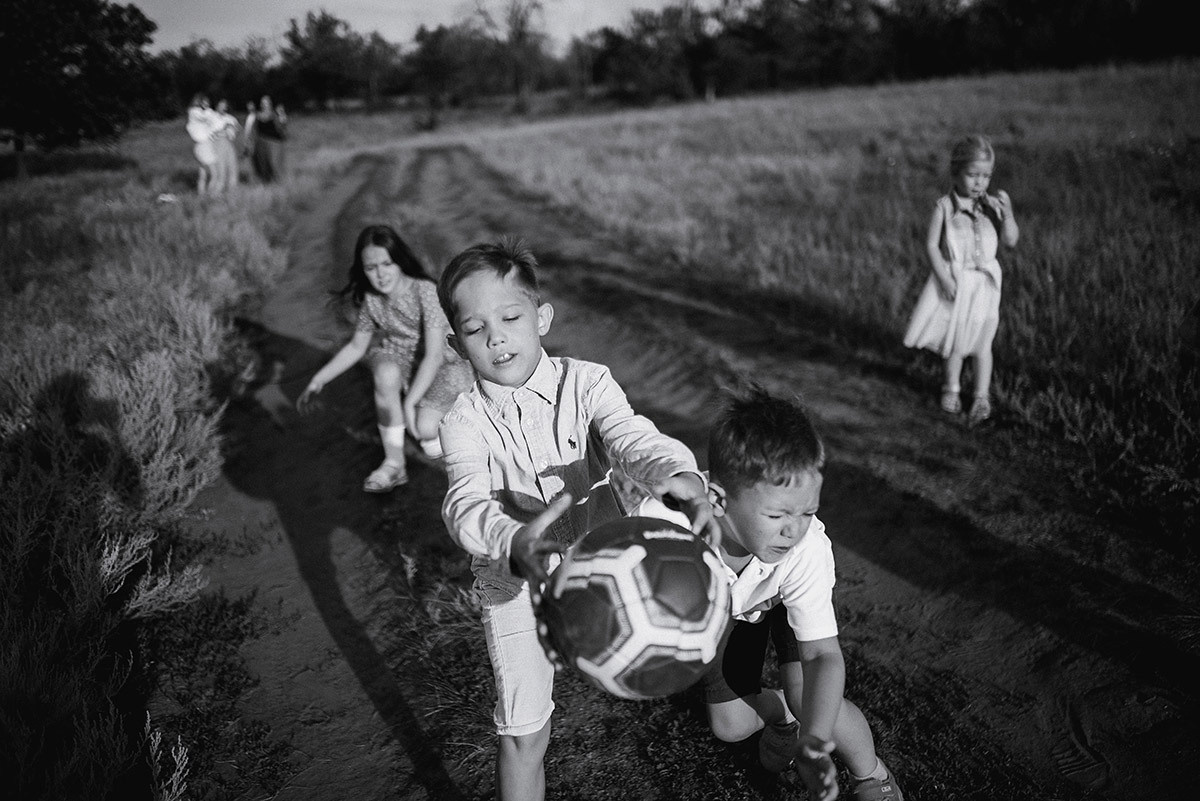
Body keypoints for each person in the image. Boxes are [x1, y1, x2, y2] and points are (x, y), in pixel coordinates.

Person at [436, 238, 717, 801]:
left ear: (542, 317)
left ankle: (738, 688)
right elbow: (463, 501)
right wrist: (508, 537)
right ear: (455, 342)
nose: (496, 336)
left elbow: (632, 437)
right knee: (522, 733)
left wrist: (675, 473)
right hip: (515, 576)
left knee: (682, 604)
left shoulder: (587, 382)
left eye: (511, 317)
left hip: (606, 559)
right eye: (474, 328)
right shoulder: (461, 421)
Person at [702, 386, 904, 801]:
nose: (793, 529)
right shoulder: (674, 528)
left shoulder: (804, 549)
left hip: (783, 592)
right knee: (729, 726)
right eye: (777, 515)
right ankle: (782, 719)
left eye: (807, 511)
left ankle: (872, 776)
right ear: (718, 500)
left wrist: (815, 739)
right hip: (728, 606)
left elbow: (822, 655)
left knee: (811, 699)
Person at [298, 224, 473, 492]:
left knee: (426, 429)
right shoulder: (372, 300)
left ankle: (443, 423)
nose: (380, 275)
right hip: (404, 360)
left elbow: (435, 355)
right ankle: (394, 463)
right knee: (384, 371)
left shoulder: (423, 290)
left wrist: (409, 404)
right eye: (371, 268)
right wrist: (318, 380)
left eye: (387, 264)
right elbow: (357, 347)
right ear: (363, 269)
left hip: (440, 362)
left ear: (399, 261)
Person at [903, 134, 1020, 425]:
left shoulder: (990, 206)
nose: (980, 182)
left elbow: (1011, 241)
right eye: (972, 175)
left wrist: (1008, 215)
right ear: (955, 173)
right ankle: (951, 387)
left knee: (983, 343)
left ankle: (982, 396)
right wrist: (944, 278)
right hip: (959, 280)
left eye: (986, 176)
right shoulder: (944, 207)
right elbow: (931, 245)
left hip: (986, 285)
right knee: (956, 340)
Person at [248, 94, 287, 183]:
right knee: (262, 163)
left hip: (274, 142)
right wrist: (251, 143)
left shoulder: (275, 115)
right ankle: (265, 183)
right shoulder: (257, 116)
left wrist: (282, 116)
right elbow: (254, 130)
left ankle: (278, 182)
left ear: (270, 104)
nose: (265, 104)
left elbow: (282, 128)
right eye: (263, 103)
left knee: (274, 163)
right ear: (261, 104)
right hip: (261, 142)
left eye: (267, 102)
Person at [185, 94, 218, 195]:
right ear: (199, 103)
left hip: (204, 144)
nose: (207, 104)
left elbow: (213, 123)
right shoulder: (195, 112)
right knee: (214, 173)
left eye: (207, 102)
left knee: (203, 173)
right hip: (203, 145)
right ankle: (211, 194)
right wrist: (210, 112)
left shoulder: (200, 114)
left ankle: (201, 194)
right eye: (204, 102)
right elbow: (208, 116)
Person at [209, 99, 240, 194]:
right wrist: (223, 129)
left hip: (228, 143)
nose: (223, 107)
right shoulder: (212, 117)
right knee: (220, 169)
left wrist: (232, 129)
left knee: (233, 167)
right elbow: (209, 133)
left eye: (225, 106)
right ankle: (215, 193)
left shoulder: (230, 118)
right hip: (217, 143)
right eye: (221, 105)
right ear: (217, 106)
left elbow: (237, 129)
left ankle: (232, 192)